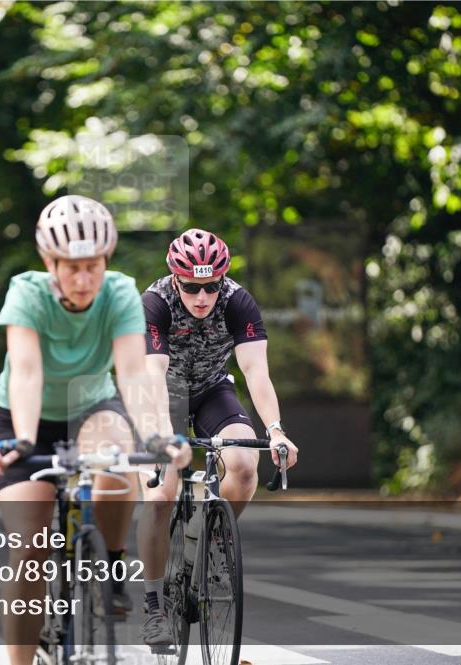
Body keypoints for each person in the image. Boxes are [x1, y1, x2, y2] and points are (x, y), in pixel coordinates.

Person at [0, 195, 191, 664]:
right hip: (25, 417)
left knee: (117, 459)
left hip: (92, 406)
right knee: (29, 550)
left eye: (92, 266)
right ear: (49, 262)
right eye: (71, 267)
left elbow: (134, 373)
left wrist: (158, 436)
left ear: (106, 260)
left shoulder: (119, 293)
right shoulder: (27, 292)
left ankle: (113, 565)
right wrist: (21, 438)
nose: (83, 279)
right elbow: (26, 371)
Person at [136, 228, 300, 643]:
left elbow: (256, 371)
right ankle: (154, 605)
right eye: (192, 287)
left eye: (211, 286)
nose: (202, 297)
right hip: (164, 394)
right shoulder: (155, 303)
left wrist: (276, 431)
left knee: (244, 463)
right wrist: (157, 436)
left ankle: (210, 537)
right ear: (176, 279)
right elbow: (153, 375)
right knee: (159, 495)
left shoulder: (237, 301)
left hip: (212, 388)